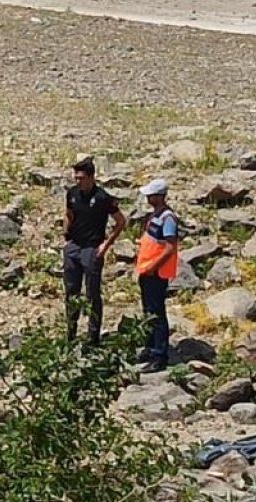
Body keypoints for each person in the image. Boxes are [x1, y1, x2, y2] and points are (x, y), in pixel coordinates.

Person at [63, 155, 126, 347]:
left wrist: (105, 246)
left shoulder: (102, 198)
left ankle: (93, 337)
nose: (78, 182)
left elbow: (120, 222)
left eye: (81, 178)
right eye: (76, 178)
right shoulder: (72, 193)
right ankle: (70, 333)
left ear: (91, 178)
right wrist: (66, 228)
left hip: (92, 248)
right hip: (74, 246)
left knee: (92, 293)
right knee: (71, 291)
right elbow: (68, 212)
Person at [135, 179, 179, 373]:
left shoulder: (167, 217)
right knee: (148, 311)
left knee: (157, 313)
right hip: (147, 270)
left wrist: (154, 266)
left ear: (159, 196)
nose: (148, 198)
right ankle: (150, 347)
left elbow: (170, 247)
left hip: (156, 272)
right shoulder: (156, 215)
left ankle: (159, 355)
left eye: (151, 195)